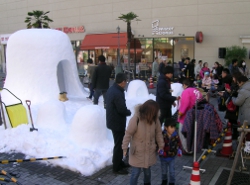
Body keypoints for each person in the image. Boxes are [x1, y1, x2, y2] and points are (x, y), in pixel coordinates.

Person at [122, 100, 164, 185]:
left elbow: (158, 133)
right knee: (135, 173)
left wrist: (161, 146)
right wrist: (124, 147)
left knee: (147, 172)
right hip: (137, 152)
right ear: (149, 111)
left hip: (149, 151)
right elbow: (128, 134)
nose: (156, 113)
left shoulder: (155, 119)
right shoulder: (136, 119)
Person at [106, 73, 131, 174]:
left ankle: (119, 162)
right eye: (126, 81)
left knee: (119, 143)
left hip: (113, 121)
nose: (126, 83)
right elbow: (121, 109)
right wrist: (128, 112)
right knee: (119, 145)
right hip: (117, 122)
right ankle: (116, 167)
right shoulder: (117, 93)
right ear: (123, 82)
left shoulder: (113, 89)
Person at [178, 79, 202, 153]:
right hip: (197, 114)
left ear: (185, 85)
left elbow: (185, 104)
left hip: (187, 115)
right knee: (193, 132)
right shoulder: (197, 91)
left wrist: (180, 114)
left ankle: (186, 149)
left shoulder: (186, 92)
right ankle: (192, 147)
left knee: (182, 132)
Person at [160, 118, 181, 185]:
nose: (173, 129)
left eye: (174, 127)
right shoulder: (162, 135)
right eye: (171, 127)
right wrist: (160, 150)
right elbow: (158, 144)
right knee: (164, 172)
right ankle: (164, 181)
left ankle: (172, 182)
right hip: (163, 157)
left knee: (172, 172)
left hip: (172, 157)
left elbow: (178, 143)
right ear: (166, 128)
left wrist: (179, 149)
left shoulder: (175, 135)